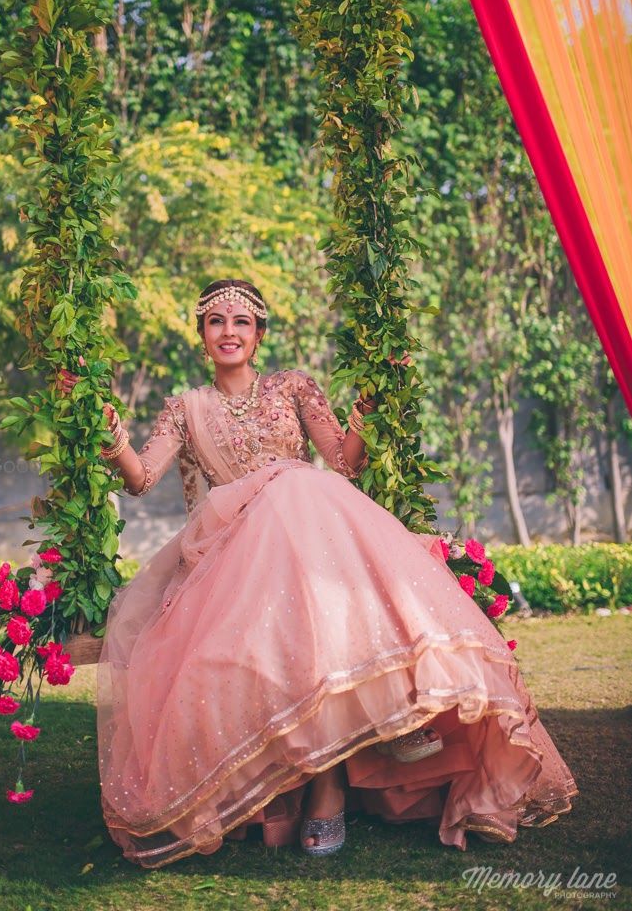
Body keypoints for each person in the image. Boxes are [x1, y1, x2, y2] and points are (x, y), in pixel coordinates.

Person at [58, 279, 577, 869]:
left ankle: (383, 727)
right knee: (291, 497)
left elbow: (344, 461)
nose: (229, 331)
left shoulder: (294, 387)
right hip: (233, 560)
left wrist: (369, 409)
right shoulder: (186, 408)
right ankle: (336, 759)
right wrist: (108, 433)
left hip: (308, 547)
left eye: (242, 322)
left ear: (259, 336)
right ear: (202, 337)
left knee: (300, 487)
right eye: (215, 322)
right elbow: (140, 477)